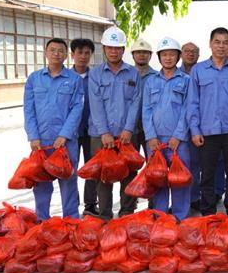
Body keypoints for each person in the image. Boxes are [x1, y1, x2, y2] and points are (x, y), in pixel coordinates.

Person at [187, 27, 228, 217]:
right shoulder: (198, 70)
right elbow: (193, 102)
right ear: (210, 44)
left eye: (225, 42)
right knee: (207, 175)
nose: (221, 46)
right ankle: (208, 214)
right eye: (217, 42)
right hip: (207, 131)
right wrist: (195, 130)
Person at [24, 38, 84, 221]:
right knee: (41, 182)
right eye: (52, 50)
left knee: (67, 181)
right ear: (46, 52)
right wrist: (33, 136)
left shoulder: (74, 80)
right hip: (41, 141)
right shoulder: (34, 79)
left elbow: (77, 108)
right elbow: (29, 109)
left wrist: (64, 135)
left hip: (66, 142)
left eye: (60, 51)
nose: (56, 54)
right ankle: (42, 219)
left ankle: (71, 220)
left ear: (66, 55)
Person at [88, 26, 141, 220]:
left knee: (129, 174)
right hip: (100, 135)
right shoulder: (95, 74)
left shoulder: (133, 73)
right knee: (104, 177)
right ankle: (105, 217)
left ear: (123, 49)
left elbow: (136, 102)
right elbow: (95, 105)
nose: (113, 51)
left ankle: (127, 214)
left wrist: (128, 129)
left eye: (117, 47)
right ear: (103, 48)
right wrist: (104, 132)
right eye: (110, 47)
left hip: (127, 134)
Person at [142, 37, 192, 220]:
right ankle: (160, 215)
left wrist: (178, 135)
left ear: (178, 57)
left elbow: (188, 109)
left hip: (178, 140)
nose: (168, 58)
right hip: (155, 140)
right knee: (158, 178)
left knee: (180, 179)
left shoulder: (186, 81)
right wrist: (150, 136)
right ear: (159, 57)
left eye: (172, 54)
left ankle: (179, 216)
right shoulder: (151, 81)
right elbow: (146, 110)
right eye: (164, 54)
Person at [70, 38, 99, 216]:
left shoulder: (95, 77)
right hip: (70, 132)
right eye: (79, 52)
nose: (83, 56)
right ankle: (72, 205)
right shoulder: (66, 77)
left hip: (92, 131)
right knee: (70, 170)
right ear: (72, 54)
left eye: (87, 53)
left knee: (92, 169)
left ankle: (90, 204)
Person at [178, 42, 202, 212]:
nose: (190, 54)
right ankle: (178, 203)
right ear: (181, 54)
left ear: (199, 55)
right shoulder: (173, 73)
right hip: (176, 130)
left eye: (194, 52)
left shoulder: (202, 72)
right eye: (187, 51)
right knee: (177, 167)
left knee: (195, 165)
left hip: (196, 127)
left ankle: (194, 198)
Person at [131, 38, 158, 159]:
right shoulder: (126, 74)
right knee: (130, 165)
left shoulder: (158, 77)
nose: (142, 55)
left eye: (145, 52)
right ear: (133, 55)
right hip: (130, 127)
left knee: (153, 163)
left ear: (150, 56)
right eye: (138, 52)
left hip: (152, 128)